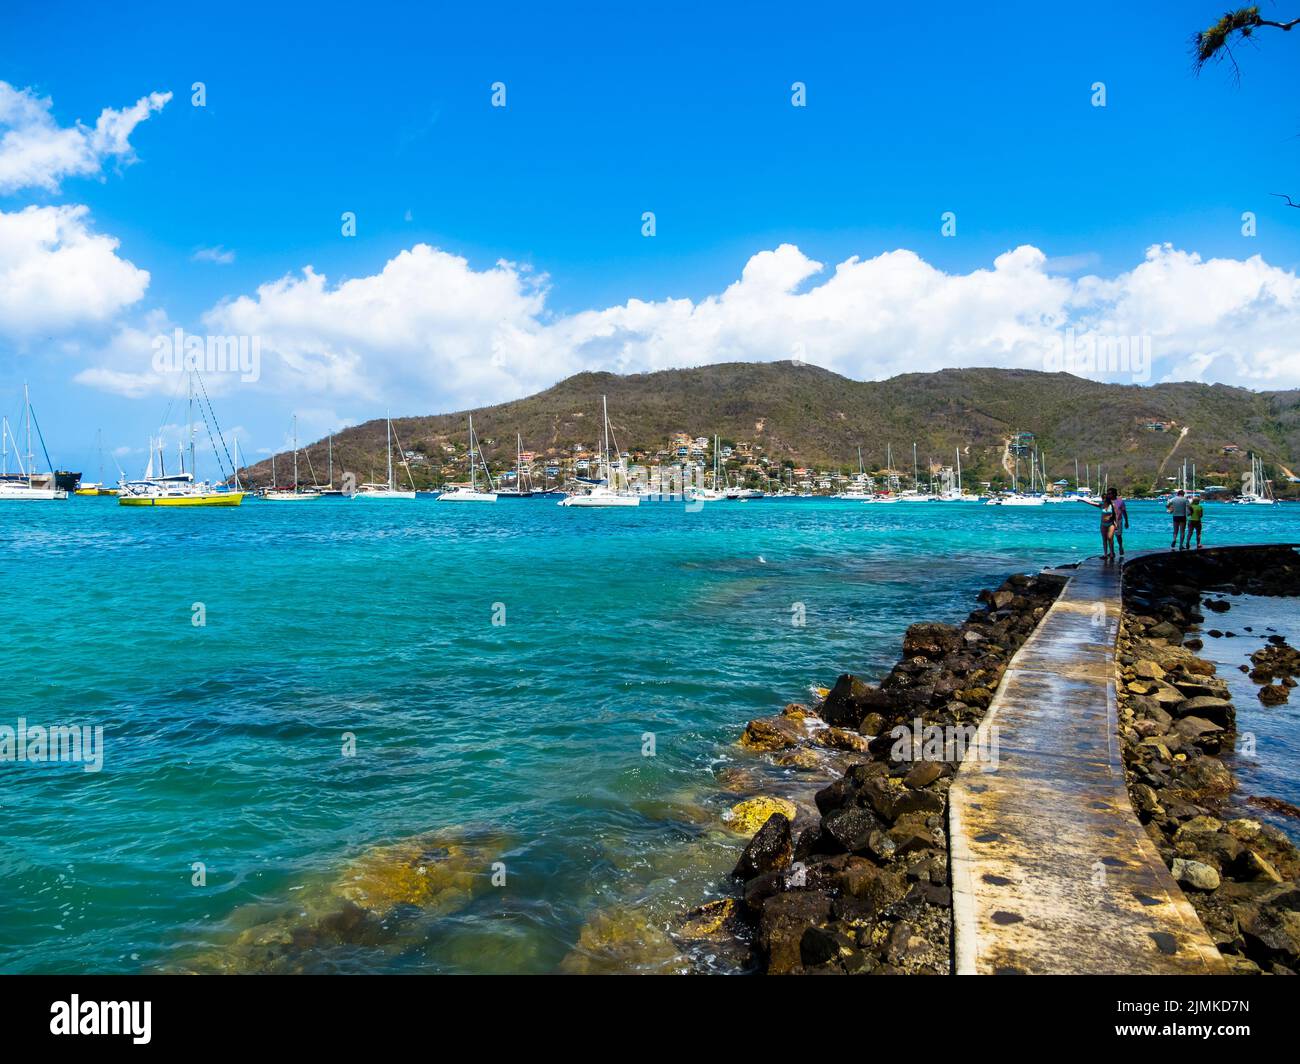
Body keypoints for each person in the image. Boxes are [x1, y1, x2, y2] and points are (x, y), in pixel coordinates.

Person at [1081, 491, 1119, 560]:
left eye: (1105, 498)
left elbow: (1115, 515)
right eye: (1103, 498)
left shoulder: (1112, 506)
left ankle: (1111, 553)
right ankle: (1105, 554)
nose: (1103, 499)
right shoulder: (1101, 505)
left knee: (1110, 538)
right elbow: (1091, 503)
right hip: (1103, 524)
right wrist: (1083, 500)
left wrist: (1116, 523)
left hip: (1111, 524)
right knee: (1104, 539)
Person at [1108, 488, 1130, 556]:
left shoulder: (1120, 501)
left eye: (1109, 493)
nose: (1108, 495)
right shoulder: (1107, 501)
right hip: (1109, 522)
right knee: (1110, 537)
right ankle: (1112, 552)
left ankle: (1120, 547)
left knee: (1118, 536)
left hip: (1118, 521)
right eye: (1108, 493)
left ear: (1114, 494)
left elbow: (1124, 512)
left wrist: (1126, 522)